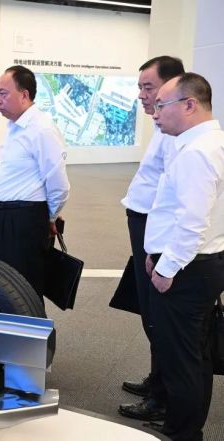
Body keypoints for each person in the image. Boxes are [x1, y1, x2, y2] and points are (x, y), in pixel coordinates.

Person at [143, 72, 224, 441]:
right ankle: (185, 428)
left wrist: (166, 267)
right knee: (195, 354)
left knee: (181, 360)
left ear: (190, 105)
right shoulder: (207, 143)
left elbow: (192, 223)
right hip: (198, 262)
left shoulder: (197, 152)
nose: (155, 112)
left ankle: (183, 433)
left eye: (162, 104)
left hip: (187, 268)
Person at [118, 56, 184, 422]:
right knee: (149, 313)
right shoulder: (161, 128)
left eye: (148, 87)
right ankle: (158, 381)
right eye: (140, 87)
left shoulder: (176, 136)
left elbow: (177, 201)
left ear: (172, 87)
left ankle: (162, 396)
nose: (142, 95)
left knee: (158, 316)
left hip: (154, 230)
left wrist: (159, 249)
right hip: (143, 225)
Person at [0, 65, 70, 299]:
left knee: (26, 287)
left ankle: (33, 323)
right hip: (5, 217)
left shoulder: (41, 129)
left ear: (24, 95)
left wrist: (49, 217)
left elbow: (58, 183)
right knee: (9, 284)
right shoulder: (14, 127)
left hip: (25, 220)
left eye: (3, 93)